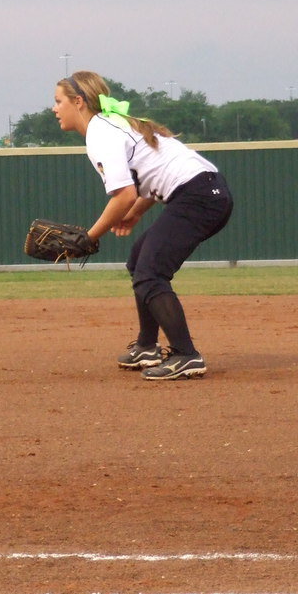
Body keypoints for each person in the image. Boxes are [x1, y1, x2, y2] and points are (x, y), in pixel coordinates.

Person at [52, 71, 233, 380]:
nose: (54, 109)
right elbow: (150, 174)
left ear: (78, 102)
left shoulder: (100, 132)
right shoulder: (117, 124)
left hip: (198, 197)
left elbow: (124, 194)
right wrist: (136, 213)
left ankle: (187, 355)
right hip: (204, 192)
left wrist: (88, 237)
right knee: (139, 261)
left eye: (58, 101)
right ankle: (147, 346)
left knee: (151, 273)